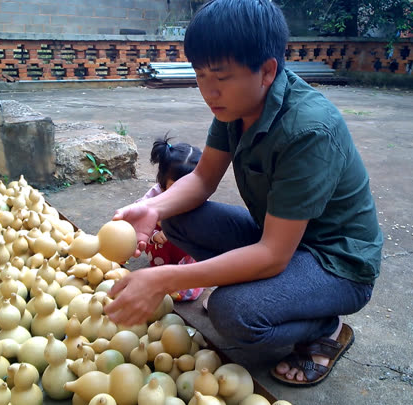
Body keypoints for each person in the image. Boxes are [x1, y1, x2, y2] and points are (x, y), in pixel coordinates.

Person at [104, 0, 382, 387]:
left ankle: (326, 327)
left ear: (267, 71)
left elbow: (271, 255)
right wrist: (149, 207)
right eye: (200, 75)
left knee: (233, 313)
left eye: (221, 76)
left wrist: (166, 280)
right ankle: (280, 295)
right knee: (177, 216)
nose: (208, 90)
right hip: (282, 236)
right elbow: (202, 180)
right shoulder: (234, 106)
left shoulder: (308, 131)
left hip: (336, 263)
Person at [137, 135, 204, 302]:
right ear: (163, 180)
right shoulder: (156, 193)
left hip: (185, 243)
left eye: (188, 186)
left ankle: (185, 276)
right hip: (162, 243)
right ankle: (163, 275)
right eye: (176, 186)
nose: (182, 192)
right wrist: (154, 231)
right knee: (158, 255)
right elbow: (141, 212)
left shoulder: (200, 195)